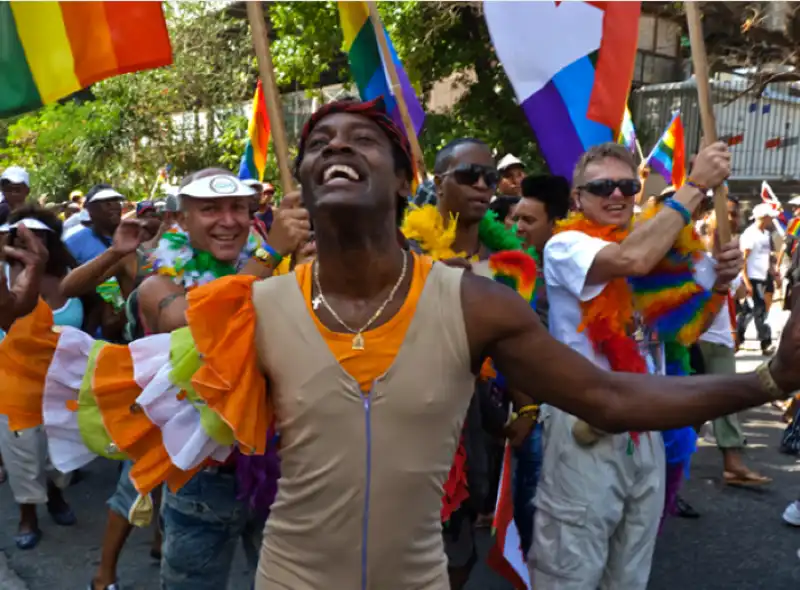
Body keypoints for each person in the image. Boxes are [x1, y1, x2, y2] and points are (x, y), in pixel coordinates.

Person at [3, 99, 800, 590]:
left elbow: (612, 397)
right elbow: (105, 377)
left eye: (361, 138)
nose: (335, 147)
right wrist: (19, 321)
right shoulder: (251, 307)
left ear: (402, 172)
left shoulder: (474, 303)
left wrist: (768, 381)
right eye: (319, 144)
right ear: (304, 187)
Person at [530, 142, 739, 589]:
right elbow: (629, 260)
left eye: (626, 185)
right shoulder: (568, 245)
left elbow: (685, 330)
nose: (617, 195)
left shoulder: (660, 247)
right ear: (577, 198)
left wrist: (720, 285)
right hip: (586, 429)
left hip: (645, 425)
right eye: (601, 186)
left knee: (630, 573)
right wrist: (696, 186)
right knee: (571, 571)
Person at [0, 206, 79, 550]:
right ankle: (28, 515)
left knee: (60, 450)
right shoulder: (3, 276)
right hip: (14, 385)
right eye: (21, 235)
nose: (30, 241)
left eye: (39, 234)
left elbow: (95, 319)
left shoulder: (71, 275)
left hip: (62, 381)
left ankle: (57, 496)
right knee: (22, 452)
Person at [738, 202, 779, 355]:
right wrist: (746, 281)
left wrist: (774, 274)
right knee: (760, 309)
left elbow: (766, 257)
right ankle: (765, 342)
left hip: (763, 276)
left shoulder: (766, 235)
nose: (771, 220)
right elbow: (744, 259)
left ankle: (738, 335)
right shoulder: (749, 235)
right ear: (763, 217)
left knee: (749, 310)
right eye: (769, 217)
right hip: (752, 277)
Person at [64, 184, 124, 266]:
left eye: (116, 201)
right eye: (106, 202)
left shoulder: (133, 234)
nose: (114, 206)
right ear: (90, 209)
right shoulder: (73, 242)